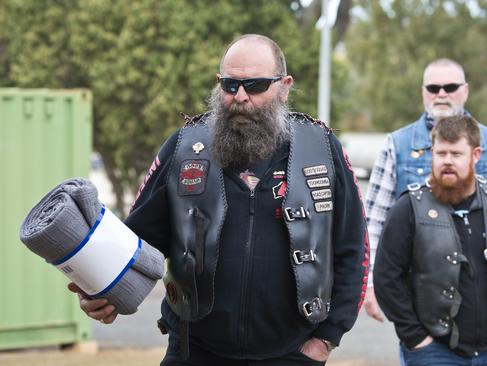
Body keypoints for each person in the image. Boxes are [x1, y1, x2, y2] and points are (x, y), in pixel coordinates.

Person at [68, 34, 369, 365]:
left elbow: (354, 249)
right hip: (193, 351)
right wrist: (102, 289)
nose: (239, 96)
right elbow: (138, 242)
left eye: (254, 85)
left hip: (290, 354)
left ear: (284, 87)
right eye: (229, 84)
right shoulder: (184, 148)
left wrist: (325, 340)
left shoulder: (321, 151)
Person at [363, 58, 487, 322]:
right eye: (433, 88)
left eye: (450, 86)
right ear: (423, 93)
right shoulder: (396, 145)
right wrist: (371, 284)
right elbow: (373, 223)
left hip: (486, 291)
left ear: (465, 91)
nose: (441, 94)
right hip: (421, 293)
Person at [374, 115, 487, 366]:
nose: (447, 161)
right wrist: (415, 337)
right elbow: (386, 276)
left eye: (456, 154)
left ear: (476, 154)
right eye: (441, 153)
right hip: (432, 350)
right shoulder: (409, 207)